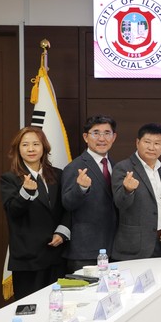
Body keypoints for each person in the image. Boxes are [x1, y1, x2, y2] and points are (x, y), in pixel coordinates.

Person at [0, 127, 68, 299]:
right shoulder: (9, 178)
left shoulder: (58, 174)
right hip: (28, 259)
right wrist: (26, 193)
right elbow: (13, 211)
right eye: (25, 145)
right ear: (18, 149)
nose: (31, 149)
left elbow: (66, 208)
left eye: (36, 144)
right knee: (31, 309)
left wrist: (62, 231)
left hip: (57, 255)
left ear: (44, 147)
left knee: (57, 306)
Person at [61, 114, 119, 272]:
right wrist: (81, 188)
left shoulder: (116, 166)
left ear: (114, 137)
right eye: (96, 133)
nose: (102, 138)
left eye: (107, 133)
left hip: (113, 249)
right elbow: (67, 203)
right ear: (86, 137)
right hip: (85, 250)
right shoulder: (75, 167)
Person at [112, 123, 161, 260]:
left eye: (157, 143)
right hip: (134, 246)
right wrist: (128, 190)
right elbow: (119, 203)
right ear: (137, 142)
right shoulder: (123, 168)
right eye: (147, 142)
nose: (151, 147)